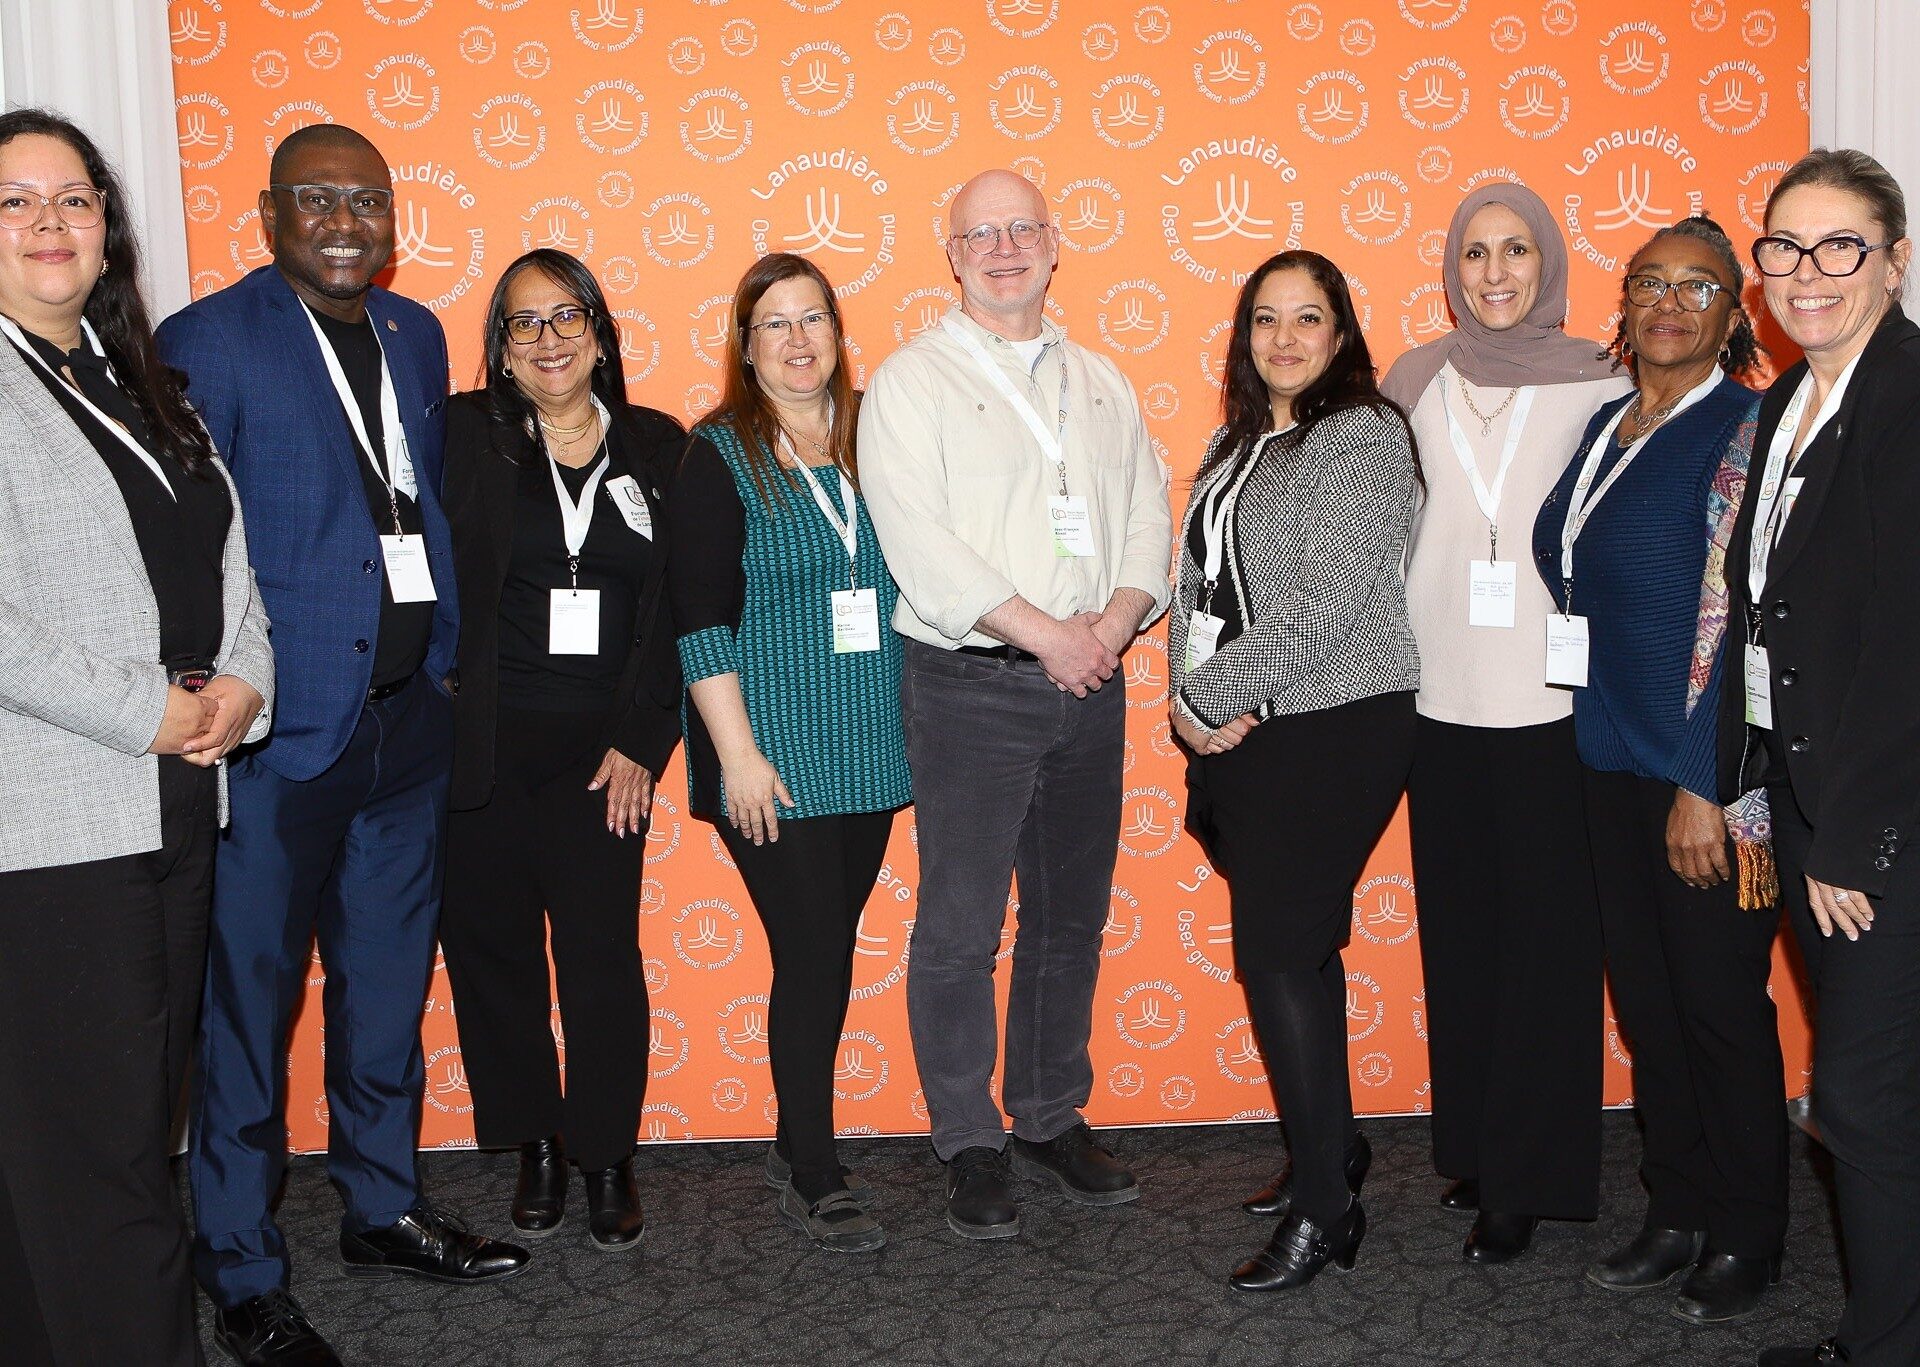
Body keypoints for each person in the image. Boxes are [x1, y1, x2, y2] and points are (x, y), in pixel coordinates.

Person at [158, 124, 527, 1367]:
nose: (343, 220)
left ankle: (381, 1204)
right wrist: (205, 686)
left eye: (365, 200)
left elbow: (414, 499)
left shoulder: (419, 333)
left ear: (391, 213)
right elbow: (178, 537)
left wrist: (451, 662)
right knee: (247, 1015)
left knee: (384, 992)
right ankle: (242, 1263)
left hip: (405, 725)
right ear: (269, 214)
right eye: (315, 198)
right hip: (274, 743)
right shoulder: (208, 340)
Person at [0, 107, 272, 1367]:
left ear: (109, 228)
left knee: (85, 1142)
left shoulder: (137, 383)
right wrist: (148, 708)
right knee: (105, 1163)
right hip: (49, 831)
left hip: (171, 806)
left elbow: (234, 570)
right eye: (15, 201)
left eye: (74, 199)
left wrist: (242, 688)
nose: (50, 224)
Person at [859, 168, 1172, 1239]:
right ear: (950, 254)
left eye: (1022, 228)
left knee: (1069, 919)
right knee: (959, 925)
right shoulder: (911, 381)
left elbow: (1144, 514)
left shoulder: (1103, 379)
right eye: (980, 234)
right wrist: (1052, 636)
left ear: (1055, 240)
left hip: (1095, 682)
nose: (1003, 248)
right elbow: (920, 542)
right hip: (971, 687)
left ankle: (1046, 1113)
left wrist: (1114, 624)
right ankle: (969, 1137)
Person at [1527, 217, 1786, 1324]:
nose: (1670, 303)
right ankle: (1677, 1204)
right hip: (1609, 763)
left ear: (1735, 315)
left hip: (1707, 782)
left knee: (1720, 1006)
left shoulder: (1749, 431)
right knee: (1651, 1005)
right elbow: (1565, 557)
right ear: (1622, 309)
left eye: (1699, 287)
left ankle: (1749, 1228)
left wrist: (1704, 781)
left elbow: (1750, 626)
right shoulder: (1605, 427)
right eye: (1649, 284)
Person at [1382, 181, 1631, 1264]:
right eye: (1475, 252)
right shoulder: (1410, 383)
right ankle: (1479, 1148)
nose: (1494, 272)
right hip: (1437, 701)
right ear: (1452, 264)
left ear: (1550, 261)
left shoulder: (1604, 385)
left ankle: (1530, 1181)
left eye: (1516, 250)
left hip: (1552, 708)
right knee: (1464, 942)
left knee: (1548, 952)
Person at [1169, 251, 1419, 1292]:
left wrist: (1211, 697)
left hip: (1338, 720)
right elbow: (1195, 584)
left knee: (1275, 953)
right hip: (1250, 721)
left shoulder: (1361, 436)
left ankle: (1328, 1209)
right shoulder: (1237, 442)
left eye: (1307, 318)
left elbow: (1329, 608)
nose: (1284, 337)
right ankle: (1335, 1147)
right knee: (1303, 950)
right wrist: (1187, 697)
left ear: (1341, 333)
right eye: (1265, 318)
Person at [438, 250, 682, 1252]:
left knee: (598, 964)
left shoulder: (662, 448)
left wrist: (642, 739)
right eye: (523, 322)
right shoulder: (462, 435)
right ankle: (533, 1140)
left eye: (565, 315)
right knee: (491, 961)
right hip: (479, 754)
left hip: (601, 765)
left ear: (599, 328)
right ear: (500, 347)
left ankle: (605, 1153)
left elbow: (681, 609)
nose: (547, 338)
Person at [668, 252, 908, 1253]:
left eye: (815, 319)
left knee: (827, 950)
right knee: (811, 955)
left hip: (870, 746)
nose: (800, 340)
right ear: (744, 344)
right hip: (771, 751)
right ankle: (813, 1166)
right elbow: (698, 620)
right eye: (775, 324)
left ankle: (789, 1134)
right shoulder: (717, 453)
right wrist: (738, 759)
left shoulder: (876, 439)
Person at [1728, 150, 1920, 1367]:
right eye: (1785, 248)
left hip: (1876, 820)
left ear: (1892, 261)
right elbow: (1769, 623)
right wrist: (1756, 800)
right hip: (1801, 801)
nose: (1807, 273)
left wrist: (1853, 837)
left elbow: (1906, 648)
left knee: (1862, 1099)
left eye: (1839, 245)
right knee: (1867, 1094)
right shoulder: (1790, 401)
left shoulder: (1906, 403)